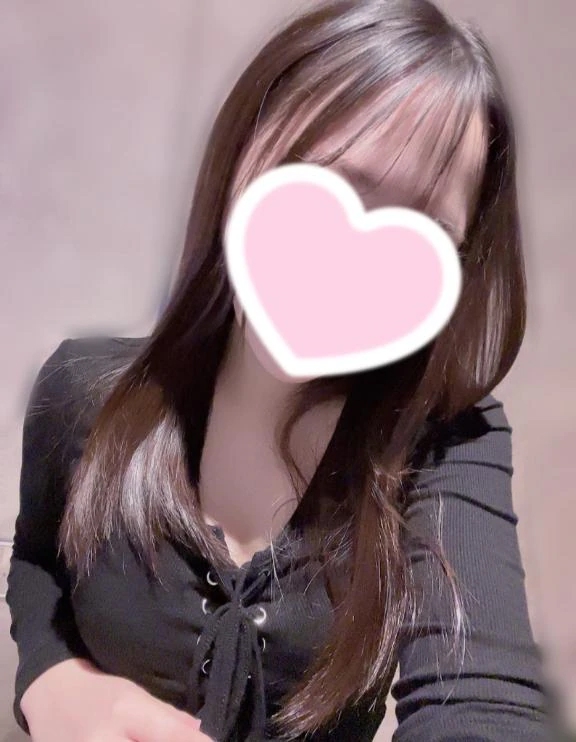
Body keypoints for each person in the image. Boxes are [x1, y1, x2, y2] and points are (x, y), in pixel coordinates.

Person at [6, 0, 560, 740]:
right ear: (245, 155)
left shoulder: (446, 445)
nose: (352, 267)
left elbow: (482, 707)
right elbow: (38, 564)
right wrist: (50, 677)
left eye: (420, 233)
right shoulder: (82, 390)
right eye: (329, 185)